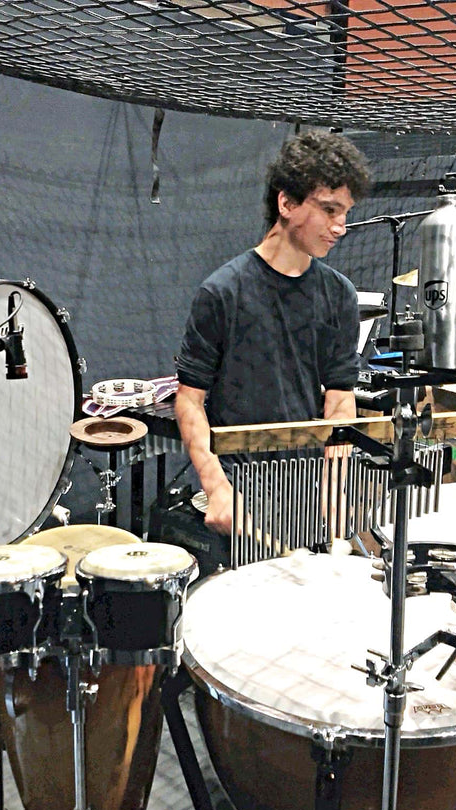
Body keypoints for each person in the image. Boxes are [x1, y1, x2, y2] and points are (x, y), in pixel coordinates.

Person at [174, 130, 372, 536]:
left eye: (345, 213)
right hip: (240, 485)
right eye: (330, 210)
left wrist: (334, 488)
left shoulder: (339, 294)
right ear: (286, 203)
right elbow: (189, 401)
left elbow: (339, 397)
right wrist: (216, 486)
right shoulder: (223, 291)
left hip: (304, 482)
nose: (341, 227)